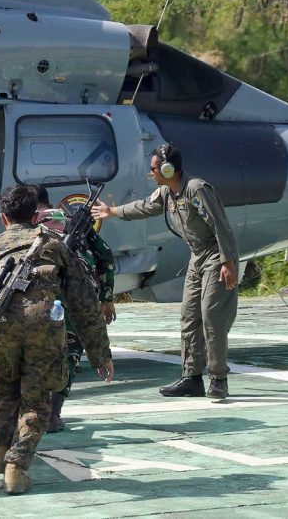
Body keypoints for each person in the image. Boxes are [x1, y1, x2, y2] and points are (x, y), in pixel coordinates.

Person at [0, 185, 114, 495]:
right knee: (36, 395)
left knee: (4, 386)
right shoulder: (55, 246)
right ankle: (16, 466)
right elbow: (84, 303)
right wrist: (101, 355)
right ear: (36, 216)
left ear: (4, 218)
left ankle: (1, 452)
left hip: (1, 328)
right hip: (45, 326)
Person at [91, 143, 239, 400]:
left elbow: (221, 226)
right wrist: (112, 211)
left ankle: (218, 379)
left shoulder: (196, 189)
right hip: (197, 256)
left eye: (154, 169)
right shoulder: (167, 193)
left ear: (169, 169)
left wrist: (228, 263)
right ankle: (191, 377)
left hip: (216, 255)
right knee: (189, 316)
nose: (151, 173)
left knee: (212, 316)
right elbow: (144, 207)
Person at [33, 185, 117, 433]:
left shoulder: (63, 225)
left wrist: (106, 297)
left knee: (63, 350)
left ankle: (51, 410)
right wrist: (106, 296)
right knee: (66, 351)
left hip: (65, 297)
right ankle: (50, 411)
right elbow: (106, 256)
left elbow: (105, 256)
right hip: (71, 297)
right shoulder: (63, 222)